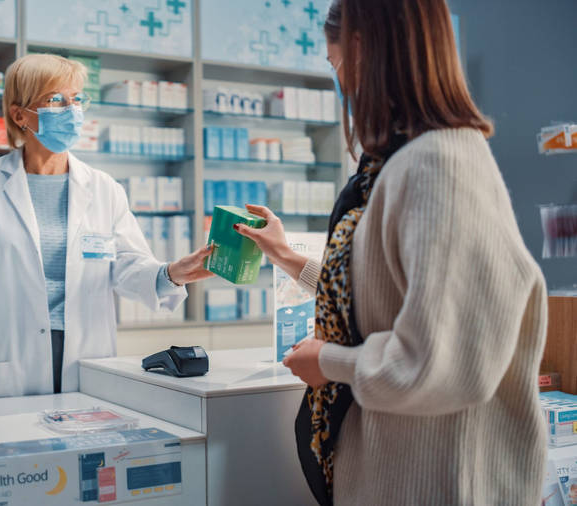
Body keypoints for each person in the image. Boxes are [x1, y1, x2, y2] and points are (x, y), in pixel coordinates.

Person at [235, 0, 548, 504]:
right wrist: (288, 258)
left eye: (335, 65)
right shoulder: (398, 163)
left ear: (362, 49)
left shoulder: (438, 166)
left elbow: (444, 363)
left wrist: (330, 363)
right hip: (392, 468)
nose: (341, 82)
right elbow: (387, 294)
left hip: (439, 480)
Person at [0, 54, 213, 402]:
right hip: (6, 361)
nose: (71, 110)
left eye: (76, 99)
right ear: (20, 115)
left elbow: (126, 265)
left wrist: (171, 274)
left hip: (86, 355)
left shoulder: (103, 188)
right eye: (55, 100)